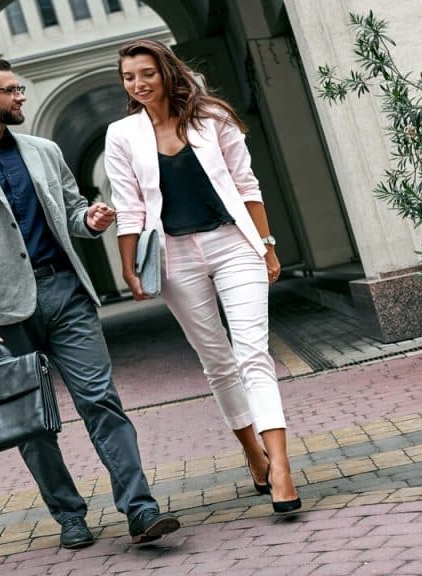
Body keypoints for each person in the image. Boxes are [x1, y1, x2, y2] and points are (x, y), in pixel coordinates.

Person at [0, 57, 180, 549]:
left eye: (20, 88)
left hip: (65, 294)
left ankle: (140, 508)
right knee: (30, 422)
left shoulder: (43, 150)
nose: (21, 96)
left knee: (101, 400)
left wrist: (91, 219)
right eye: (10, 90)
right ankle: (68, 514)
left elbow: (73, 209)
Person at [104, 39, 301, 514]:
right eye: (130, 77)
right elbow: (129, 207)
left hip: (233, 243)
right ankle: (251, 450)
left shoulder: (212, 118)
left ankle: (282, 470)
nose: (139, 84)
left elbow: (246, 184)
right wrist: (130, 268)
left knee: (253, 353)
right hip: (174, 258)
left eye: (146, 73)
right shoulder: (122, 134)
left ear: (167, 71)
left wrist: (267, 245)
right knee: (216, 359)